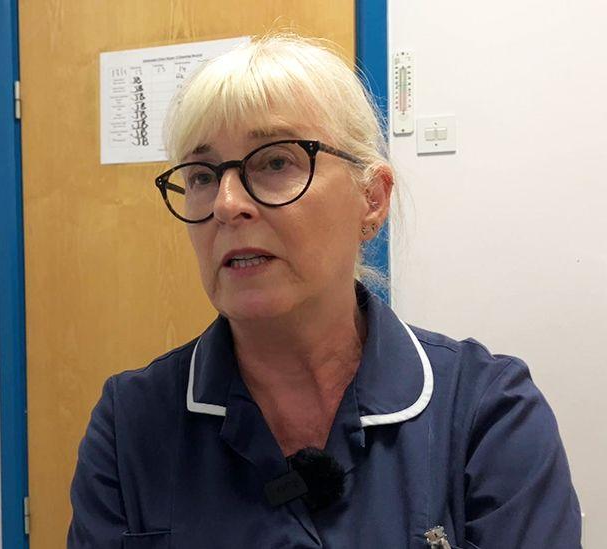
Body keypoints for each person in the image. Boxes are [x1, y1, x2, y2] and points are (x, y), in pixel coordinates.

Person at [67, 34, 581, 548]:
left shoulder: (486, 414)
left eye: (275, 162)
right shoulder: (131, 423)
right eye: (202, 175)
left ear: (372, 200)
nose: (226, 204)